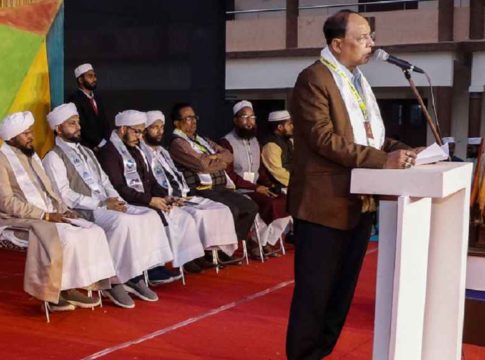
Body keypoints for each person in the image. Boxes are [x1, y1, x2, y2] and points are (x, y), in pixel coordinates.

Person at [286, 10, 416, 359]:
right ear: (337, 43)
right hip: (323, 205)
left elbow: (370, 138)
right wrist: (381, 160)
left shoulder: (357, 79)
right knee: (315, 294)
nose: (371, 44)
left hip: (359, 201)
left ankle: (321, 354)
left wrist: (403, 151)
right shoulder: (314, 78)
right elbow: (324, 139)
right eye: (363, 37)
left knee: (341, 294)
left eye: (371, 36)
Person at [42, 103, 174, 308]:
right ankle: (112, 279)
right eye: (71, 124)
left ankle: (134, 273)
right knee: (123, 223)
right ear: (58, 129)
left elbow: (105, 182)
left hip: (106, 204)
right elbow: (65, 195)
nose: (78, 127)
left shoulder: (87, 152)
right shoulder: (53, 157)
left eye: (78, 122)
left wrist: (117, 201)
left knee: (149, 216)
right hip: (85, 210)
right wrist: (103, 203)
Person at [0, 111, 117, 312]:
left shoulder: (32, 155)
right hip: (22, 218)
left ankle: (76, 285)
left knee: (93, 231)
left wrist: (64, 210)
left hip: (51, 212)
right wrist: (44, 215)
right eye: (26, 133)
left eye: (30, 132)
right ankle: (57, 291)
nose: (31, 137)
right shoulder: (2, 161)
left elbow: (50, 191)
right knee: (68, 239)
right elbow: (6, 202)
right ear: (11, 138)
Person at [97, 110, 206, 275]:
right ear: (122, 129)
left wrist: (165, 196)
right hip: (130, 200)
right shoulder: (109, 152)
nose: (140, 136)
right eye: (137, 131)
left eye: (141, 132)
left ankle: (183, 260)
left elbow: (151, 180)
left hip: (145, 198)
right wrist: (150, 200)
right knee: (154, 218)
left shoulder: (136, 149)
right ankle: (152, 268)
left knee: (183, 217)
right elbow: (119, 187)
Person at [140, 110, 239, 264]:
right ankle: (192, 258)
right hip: (163, 197)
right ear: (144, 131)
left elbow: (176, 175)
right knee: (196, 215)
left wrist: (181, 193)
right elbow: (202, 165)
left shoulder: (163, 152)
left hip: (181, 194)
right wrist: (170, 197)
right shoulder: (142, 153)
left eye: (161, 127)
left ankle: (213, 252)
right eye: (155, 127)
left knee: (221, 209)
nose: (160, 131)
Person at [168, 103, 259, 262]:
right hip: (201, 189)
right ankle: (215, 251)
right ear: (177, 123)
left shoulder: (202, 139)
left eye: (194, 117)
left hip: (219, 187)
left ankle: (226, 248)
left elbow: (229, 155)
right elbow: (202, 165)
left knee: (250, 207)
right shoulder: (178, 144)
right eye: (188, 118)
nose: (193, 121)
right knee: (232, 209)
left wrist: (214, 159)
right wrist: (216, 161)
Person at [219, 101, 291, 257]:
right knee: (268, 203)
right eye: (245, 117)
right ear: (235, 120)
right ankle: (256, 243)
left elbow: (261, 170)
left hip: (256, 187)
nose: (249, 121)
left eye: (252, 117)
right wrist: (255, 187)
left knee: (286, 201)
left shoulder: (255, 141)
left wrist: (269, 185)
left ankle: (267, 242)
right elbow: (229, 175)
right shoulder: (226, 142)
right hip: (237, 189)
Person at [68, 63, 111, 151]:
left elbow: (105, 122)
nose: (94, 79)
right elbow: (82, 125)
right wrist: (98, 143)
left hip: (103, 145)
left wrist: (105, 141)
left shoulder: (98, 98)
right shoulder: (74, 99)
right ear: (80, 80)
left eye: (95, 76)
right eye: (90, 76)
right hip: (87, 146)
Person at [261, 110, 294, 192]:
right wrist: (298, 182)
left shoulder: (287, 141)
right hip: (279, 187)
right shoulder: (271, 146)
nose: (292, 127)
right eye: (289, 124)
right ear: (280, 127)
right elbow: (277, 172)